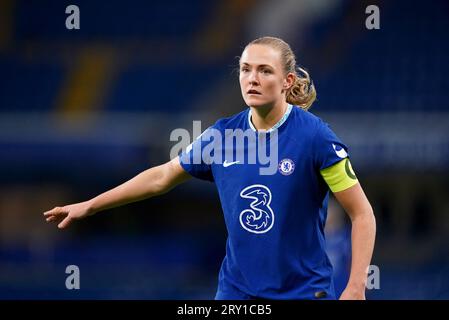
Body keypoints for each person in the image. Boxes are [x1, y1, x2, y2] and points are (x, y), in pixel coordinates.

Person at [44, 36, 376, 300]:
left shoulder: (315, 136)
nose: (252, 79)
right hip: (237, 292)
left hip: (302, 292)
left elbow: (362, 214)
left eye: (264, 70)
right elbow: (161, 176)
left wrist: (356, 285)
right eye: (246, 69)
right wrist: (90, 204)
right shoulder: (221, 135)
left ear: (287, 80)